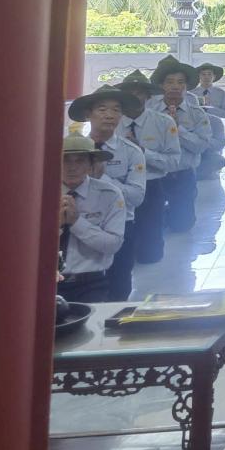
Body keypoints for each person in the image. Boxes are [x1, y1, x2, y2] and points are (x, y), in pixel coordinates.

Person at [69, 86, 147, 300]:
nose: (110, 115)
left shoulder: (131, 152)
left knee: (119, 287)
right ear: (88, 114)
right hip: (76, 223)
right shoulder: (70, 150)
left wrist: (102, 179)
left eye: (116, 110)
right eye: (102, 109)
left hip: (120, 225)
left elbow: (137, 197)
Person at [114, 70, 182, 264]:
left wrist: (143, 152)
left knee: (150, 255)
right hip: (119, 186)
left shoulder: (164, 122)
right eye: (129, 93)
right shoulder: (112, 122)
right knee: (120, 250)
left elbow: (174, 162)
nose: (134, 97)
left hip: (152, 184)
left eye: (139, 92)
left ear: (148, 96)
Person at [56, 132, 125, 303]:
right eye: (65, 160)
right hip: (47, 281)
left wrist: (76, 223)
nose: (72, 167)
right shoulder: (41, 193)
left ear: (91, 165)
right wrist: (56, 226)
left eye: (79, 161)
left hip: (91, 283)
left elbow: (113, 244)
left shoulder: (109, 195)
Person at [149, 55, 211, 234]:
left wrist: (177, 129)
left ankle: (172, 212)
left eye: (180, 82)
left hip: (183, 174)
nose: (175, 86)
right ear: (162, 85)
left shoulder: (196, 113)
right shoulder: (150, 111)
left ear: (186, 86)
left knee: (182, 226)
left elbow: (201, 145)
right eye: (169, 82)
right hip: (155, 173)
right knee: (152, 225)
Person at [191, 62, 225, 177]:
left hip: (215, 127)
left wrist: (211, 109)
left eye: (209, 74)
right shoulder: (191, 93)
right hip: (196, 126)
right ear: (199, 76)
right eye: (203, 74)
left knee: (215, 150)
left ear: (214, 77)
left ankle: (213, 171)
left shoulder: (221, 93)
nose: (206, 77)